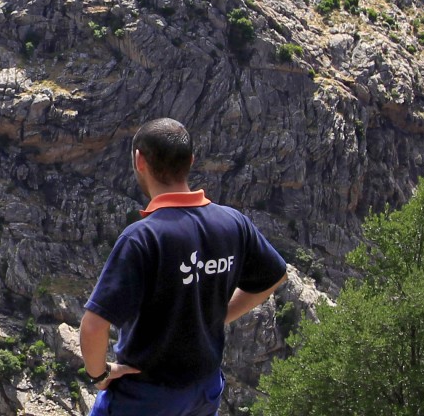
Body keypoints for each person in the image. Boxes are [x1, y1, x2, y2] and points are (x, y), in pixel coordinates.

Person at [80, 118, 287, 415]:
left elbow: (93, 326)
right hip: (204, 390)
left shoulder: (143, 237)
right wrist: (218, 317)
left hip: (146, 395)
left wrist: (99, 375)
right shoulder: (232, 223)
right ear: (191, 161)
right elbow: (274, 276)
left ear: (139, 160)